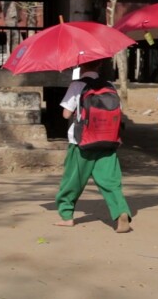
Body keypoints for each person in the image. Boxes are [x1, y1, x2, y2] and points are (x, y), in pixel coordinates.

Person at [54, 59, 132, 233]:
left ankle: (67, 216)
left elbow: (66, 114)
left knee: (73, 180)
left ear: (81, 65)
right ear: (99, 65)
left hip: (81, 141)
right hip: (108, 140)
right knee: (111, 181)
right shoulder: (110, 85)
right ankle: (121, 212)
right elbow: (118, 111)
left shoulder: (77, 85)